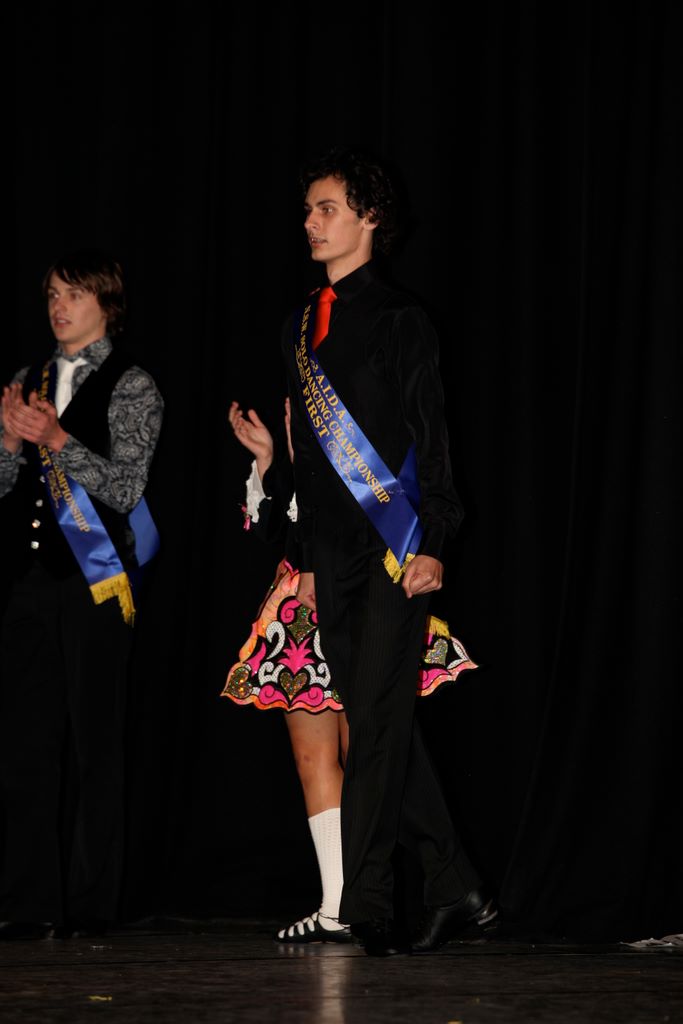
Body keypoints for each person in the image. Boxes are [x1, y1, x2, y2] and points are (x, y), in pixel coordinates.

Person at [282, 148, 495, 956]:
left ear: (369, 218)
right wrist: (302, 555)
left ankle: (364, 904)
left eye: (326, 208)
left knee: (372, 726)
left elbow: (432, 441)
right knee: (376, 722)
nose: (310, 222)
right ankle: (453, 884)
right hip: (328, 554)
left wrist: (432, 539)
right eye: (308, 209)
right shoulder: (299, 326)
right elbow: (309, 458)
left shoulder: (401, 319)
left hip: (392, 548)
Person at [224, 398, 477, 945]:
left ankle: (419, 886)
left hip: (356, 595)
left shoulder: (363, 439)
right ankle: (337, 904)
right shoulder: (300, 440)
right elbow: (273, 529)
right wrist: (270, 460)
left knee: (370, 745)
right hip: (300, 609)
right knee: (313, 757)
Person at [0, 250, 163, 939]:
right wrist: (10, 445)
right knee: (23, 746)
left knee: (96, 745)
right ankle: (28, 903)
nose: (58, 307)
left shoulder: (133, 384)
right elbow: (3, 484)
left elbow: (126, 487)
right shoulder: (25, 379)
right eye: (51, 296)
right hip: (29, 586)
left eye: (72, 295)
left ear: (106, 304)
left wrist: (58, 439)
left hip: (97, 585)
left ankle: (94, 906)